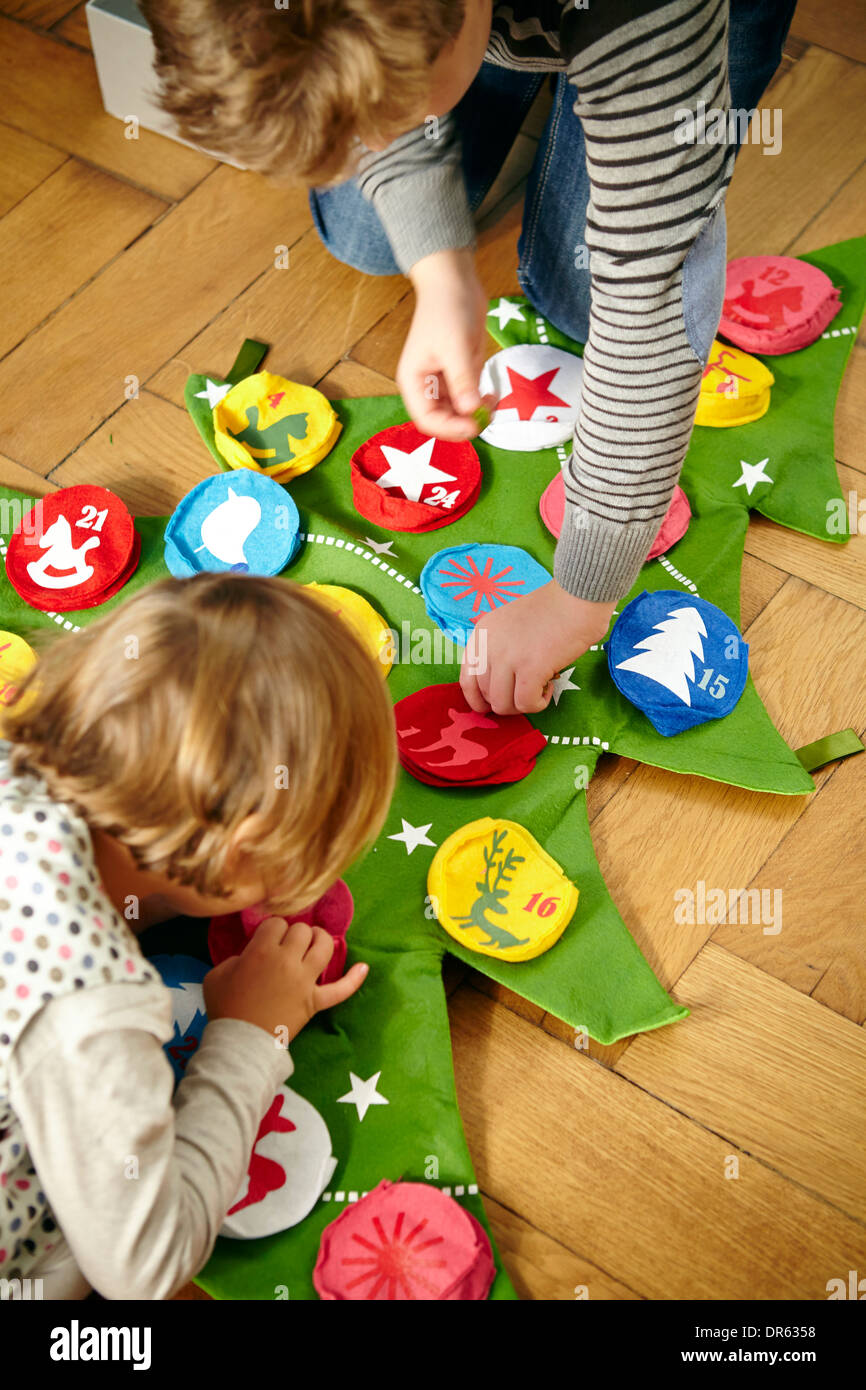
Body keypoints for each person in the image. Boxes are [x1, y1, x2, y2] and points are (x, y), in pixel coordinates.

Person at [141, 0, 799, 714]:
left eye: (387, 115)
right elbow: (364, 89)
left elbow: (653, 311)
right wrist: (442, 276)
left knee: (581, 295)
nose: (373, 141)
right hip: (481, 27)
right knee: (372, 235)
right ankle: (510, 76)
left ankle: (575, 88)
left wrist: (579, 601)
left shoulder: (646, 29)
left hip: (653, 29)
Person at [0, 573, 396, 1298]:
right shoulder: (89, 1003)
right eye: (297, 864)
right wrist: (250, 1034)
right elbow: (144, 1268)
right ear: (239, 848)